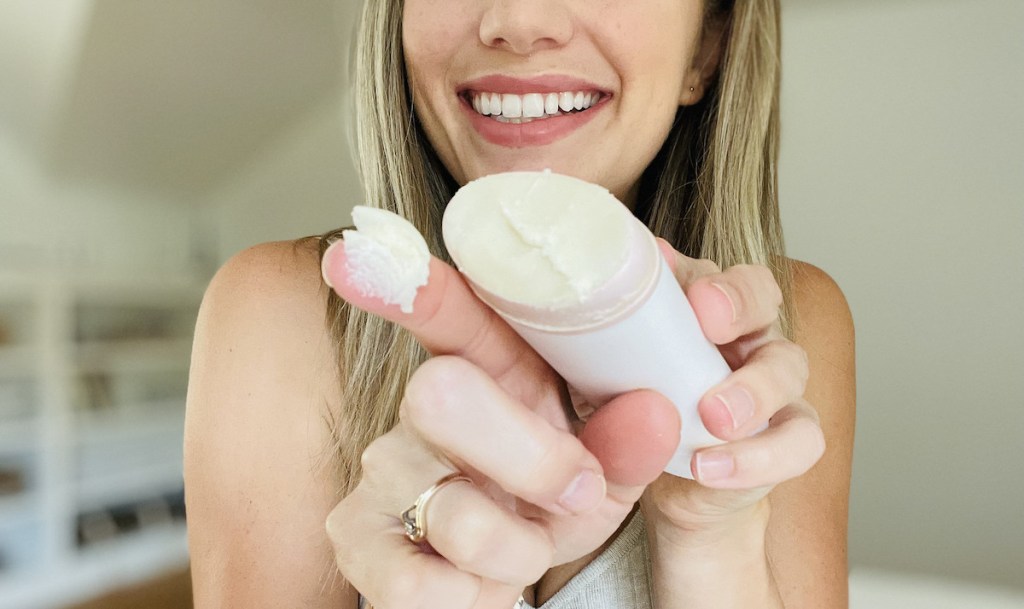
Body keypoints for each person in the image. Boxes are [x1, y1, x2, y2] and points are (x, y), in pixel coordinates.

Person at [184, 0, 855, 607]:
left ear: (708, 46)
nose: (520, 18)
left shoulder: (789, 338)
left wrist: (711, 540)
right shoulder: (276, 314)